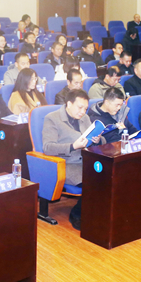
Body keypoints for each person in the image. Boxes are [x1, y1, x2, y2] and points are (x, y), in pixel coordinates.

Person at [42, 89, 103, 230]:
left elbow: (95, 141)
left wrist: (98, 139)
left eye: (85, 108)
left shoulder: (85, 118)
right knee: (94, 182)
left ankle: (97, 212)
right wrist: (72, 146)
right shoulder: (52, 118)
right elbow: (47, 147)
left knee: (109, 176)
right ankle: (77, 214)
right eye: (80, 107)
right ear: (69, 104)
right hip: (65, 163)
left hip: (85, 160)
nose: (83, 112)